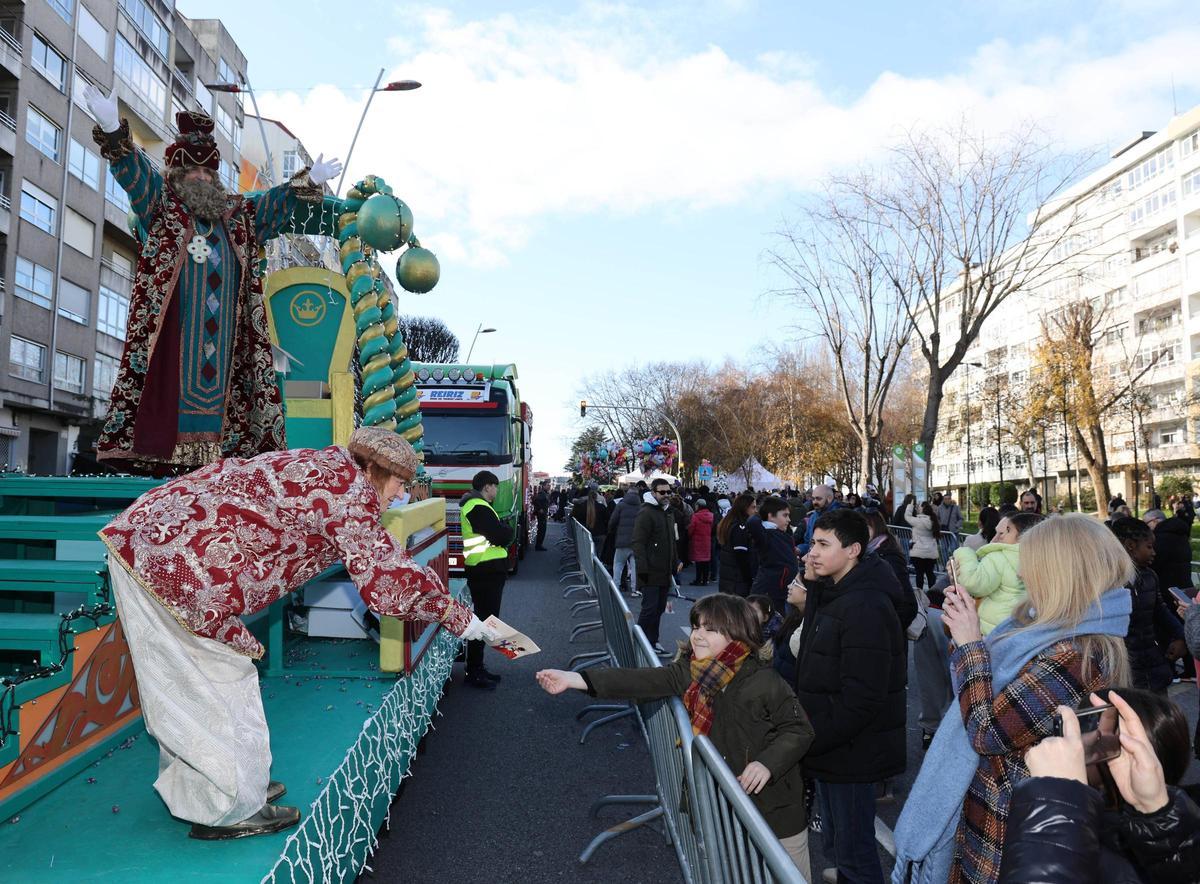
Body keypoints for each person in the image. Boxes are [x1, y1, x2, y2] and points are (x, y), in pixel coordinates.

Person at [99, 427, 494, 839]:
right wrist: (457, 616)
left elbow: (375, 554)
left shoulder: (330, 467)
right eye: (398, 483)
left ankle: (221, 786)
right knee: (217, 682)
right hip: (174, 565)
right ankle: (227, 806)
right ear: (375, 469)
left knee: (189, 685)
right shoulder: (348, 492)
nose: (399, 495)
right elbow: (385, 580)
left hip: (152, 543)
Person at [84, 86, 341, 475]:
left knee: (229, 426)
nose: (202, 178)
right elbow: (134, 173)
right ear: (176, 173)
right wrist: (111, 128)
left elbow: (273, 202)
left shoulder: (237, 216)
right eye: (193, 171)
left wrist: (308, 181)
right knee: (170, 402)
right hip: (174, 341)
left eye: (208, 172)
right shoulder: (161, 204)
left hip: (228, 351)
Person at [892, 514, 1133, 884]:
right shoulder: (1045, 627)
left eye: (1031, 565)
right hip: (1003, 816)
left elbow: (987, 732)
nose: (1023, 575)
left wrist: (972, 645)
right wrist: (968, 640)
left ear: (1061, 572)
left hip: (1007, 830)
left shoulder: (1077, 654)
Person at [536, 594, 817, 879]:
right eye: (696, 627)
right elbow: (638, 680)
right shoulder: (690, 671)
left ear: (737, 633)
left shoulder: (764, 681)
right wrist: (575, 679)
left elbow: (799, 728)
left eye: (710, 629)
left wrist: (766, 763)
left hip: (776, 817)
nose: (698, 636)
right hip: (723, 814)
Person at [795, 509, 906, 884]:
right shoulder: (836, 591)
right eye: (813, 543)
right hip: (832, 745)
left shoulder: (866, 605)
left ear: (854, 550)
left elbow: (862, 697)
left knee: (855, 852)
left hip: (850, 749)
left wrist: (813, 737)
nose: (813, 552)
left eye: (824, 545)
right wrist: (813, 586)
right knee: (840, 847)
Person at [999, 689, 1200, 884]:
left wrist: (1055, 803)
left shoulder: (1107, 858)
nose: (1080, 741)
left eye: (1088, 728)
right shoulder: (1173, 829)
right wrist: (1156, 809)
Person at [1109, 517, 1186, 695]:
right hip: (1124, 668)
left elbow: (1160, 611)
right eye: (1149, 547)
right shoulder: (1108, 581)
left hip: (1153, 661)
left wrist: (1181, 636)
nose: (1154, 553)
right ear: (1130, 546)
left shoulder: (1150, 576)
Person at [460, 470, 515, 690]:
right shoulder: (478, 506)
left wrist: (503, 530)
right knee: (483, 622)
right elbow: (501, 535)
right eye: (496, 486)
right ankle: (474, 671)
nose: (497, 491)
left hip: (485, 569)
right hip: (486, 570)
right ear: (487, 487)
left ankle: (476, 667)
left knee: (483, 620)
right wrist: (507, 531)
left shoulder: (477, 505)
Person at [951, 512, 1045, 636]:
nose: (994, 539)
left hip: (993, 631)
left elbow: (973, 582)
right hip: (1025, 629)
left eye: (1005, 532)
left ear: (1024, 536)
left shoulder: (1000, 557)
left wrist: (964, 553)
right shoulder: (1041, 559)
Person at [632, 479, 681, 653]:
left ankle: (653, 641)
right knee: (649, 609)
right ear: (653, 492)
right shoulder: (646, 512)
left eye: (669, 492)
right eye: (662, 492)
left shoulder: (668, 512)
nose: (666, 495)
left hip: (664, 571)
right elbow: (638, 543)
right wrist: (643, 572)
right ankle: (638, 644)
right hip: (650, 571)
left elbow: (672, 541)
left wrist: (675, 562)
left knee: (659, 608)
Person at [864, 510, 919, 639]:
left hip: (889, 640)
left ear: (876, 528)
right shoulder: (868, 552)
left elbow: (908, 604)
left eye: (865, 528)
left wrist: (887, 631)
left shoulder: (888, 556)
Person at [750, 497, 798, 614]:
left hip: (780, 590)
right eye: (785, 515)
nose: (789, 519)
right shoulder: (765, 534)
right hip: (769, 590)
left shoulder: (780, 533)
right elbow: (752, 523)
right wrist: (759, 513)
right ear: (771, 516)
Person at [1145, 508, 1194, 593]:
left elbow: (1153, 563)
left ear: (1155, 521)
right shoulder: (1179, 534)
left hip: (1169, 589)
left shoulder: (1161, 538)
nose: (1146, 527)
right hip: (1185, 585)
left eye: (1146, 523)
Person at [717, 493, 757, 597]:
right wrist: (749, 578)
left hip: (730, 579)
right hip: (737, 580)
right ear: (744, 508)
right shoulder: (740, 527)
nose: (755, 511)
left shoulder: (730, 523)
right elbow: (741, 555)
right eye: (753, 507)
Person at [608, 488, 643, 594]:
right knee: (635, 567)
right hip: (636, 541)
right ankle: (634, 589)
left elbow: (612, 521)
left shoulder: (621, 505)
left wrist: (611, 531)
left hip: (622, 540)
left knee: (618, 565)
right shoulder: (641, 507)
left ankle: (615, 587)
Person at [905, 499, 941, 594]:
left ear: (922, 510)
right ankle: (933, 594)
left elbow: (907, 516)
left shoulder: (918, 521)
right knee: (930, 574)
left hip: (918, 552)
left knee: (919, 574)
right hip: (931, 552)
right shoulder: (934, 521)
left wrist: (910, 505)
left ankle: (920, 594)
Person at [797, 484, 838, 557]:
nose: (814, 502)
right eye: (813, 499)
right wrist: (799, 549)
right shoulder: (813, 517)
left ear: (829, 498)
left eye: (818, 499)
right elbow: (808, 543)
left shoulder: (840, 516)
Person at [687, 499, 715, 585]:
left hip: (697, 541)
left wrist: (689, 535)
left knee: (699, 562)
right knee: (706, 561)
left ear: (698, 506)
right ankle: (705, 580)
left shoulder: (695, 516)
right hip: (707, 540)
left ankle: (698, 579)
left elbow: (691, 528)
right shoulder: (711, 516)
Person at [532, 481, 550, 551]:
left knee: (542, 530)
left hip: (543, 514)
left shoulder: (545, 493)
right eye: (548, 485)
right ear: (544, 486)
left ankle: (539, 545)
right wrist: (540, 509)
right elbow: (535, 500)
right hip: (541, 515)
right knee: (541, 530)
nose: (549, 486)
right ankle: (538, 545)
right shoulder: (542, 493)